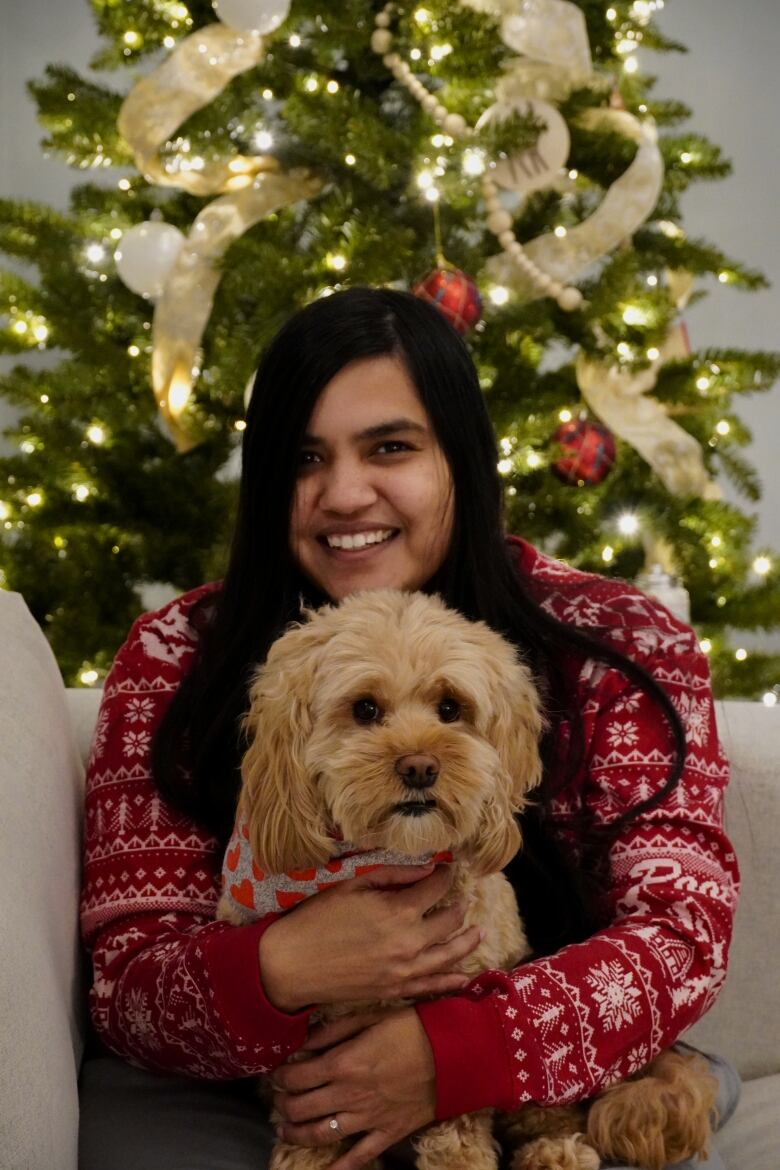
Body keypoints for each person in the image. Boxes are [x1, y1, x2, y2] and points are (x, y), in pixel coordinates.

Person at [78, 286, 740, 1170]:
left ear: (461, 458)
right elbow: (126, 986)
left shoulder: (622, 643)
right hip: (259, 1075)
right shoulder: (173, 657)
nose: (344, 493)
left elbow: (680, 935)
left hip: (548, 1064)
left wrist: (447, 1058)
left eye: (390, 447)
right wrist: (286, 967)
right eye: (305, 458)